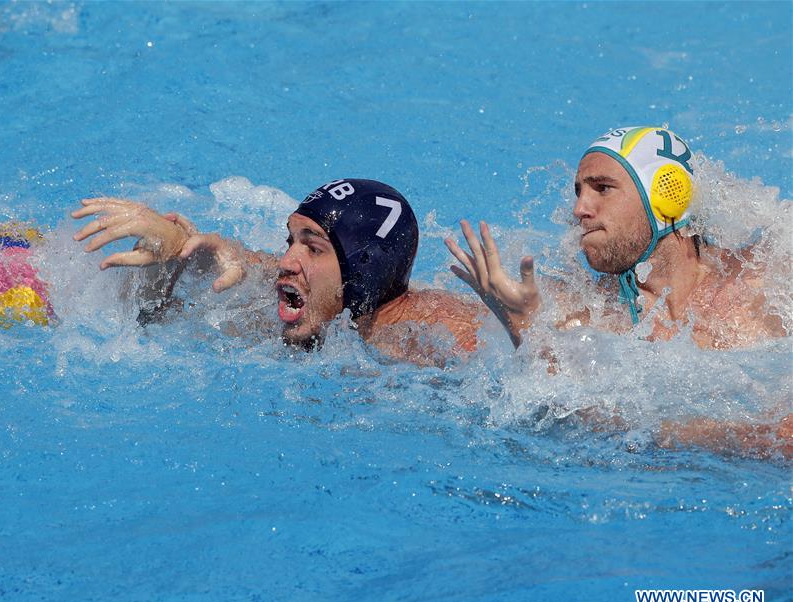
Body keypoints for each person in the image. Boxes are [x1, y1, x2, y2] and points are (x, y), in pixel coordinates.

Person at [445, 126, 790, 457]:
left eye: (603, 188)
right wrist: (524, 327)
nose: (580, 209)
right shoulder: (583, 316)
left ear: (667, 195)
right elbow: (566, 421)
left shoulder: (767, 278)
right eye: (579, 191)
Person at [72, 179, 483, 367]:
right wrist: (179, 245)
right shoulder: (315, 297)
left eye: (313, 247)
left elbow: (535, 387)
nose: (287, 261)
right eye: (291, 240)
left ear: (362, 271)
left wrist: (520, 324)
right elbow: (241, 262)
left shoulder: (434, 337)